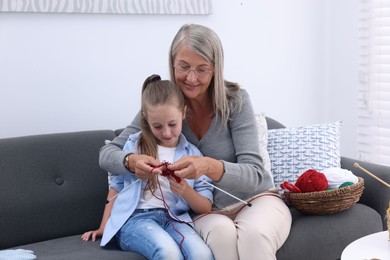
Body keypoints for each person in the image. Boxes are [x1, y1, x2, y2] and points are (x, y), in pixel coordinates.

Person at [99, 24, 292, 260]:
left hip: (255, 201)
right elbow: (107, 154)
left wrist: (209, 166)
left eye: (202, 69)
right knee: (221, 236)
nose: (191, 78)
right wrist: (130, 161)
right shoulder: (164, 107)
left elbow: (255, 175)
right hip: (206, 212)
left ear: (215, 68)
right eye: (184, 67)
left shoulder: (236, 101)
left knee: (254, 236)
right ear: (172, 63)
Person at [82, 74, 214, 260]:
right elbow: (116, 187)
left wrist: (185, 191)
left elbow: (206, 206)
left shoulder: (192, 155)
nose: (167, 132)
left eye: (172, 124)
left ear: (184, 113)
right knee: (168, 253)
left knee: (202, 254)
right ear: (146, 119)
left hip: (175, 220)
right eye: (158, 126)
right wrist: (104, 226)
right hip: (136, 220)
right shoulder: (135, 148)